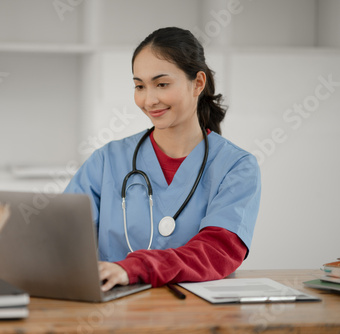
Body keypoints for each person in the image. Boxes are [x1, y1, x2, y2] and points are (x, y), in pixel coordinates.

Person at [64, 27, 261, 292]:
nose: (149, 99)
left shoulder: (236, 166)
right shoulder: (107, 161)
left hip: (197, 315)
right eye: (139, 86)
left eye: (162, 84)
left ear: (198, 84)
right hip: (114, 313)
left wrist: (133, 268)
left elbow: (218, 252)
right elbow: (62, 238)